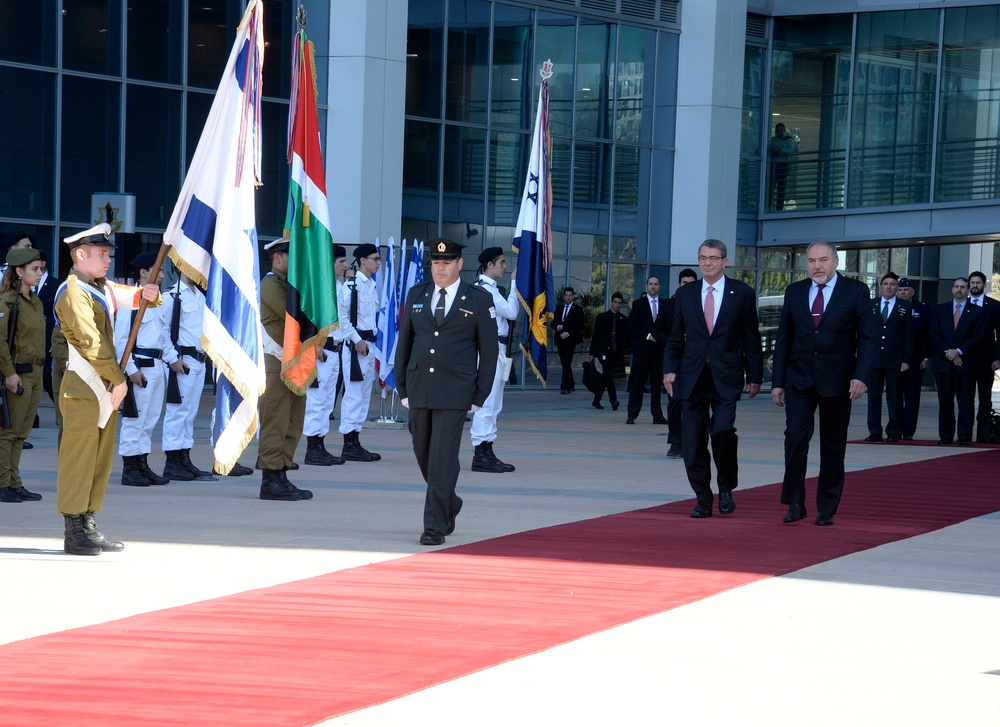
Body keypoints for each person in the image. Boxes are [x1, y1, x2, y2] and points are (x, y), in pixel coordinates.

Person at [54, 223, 159, 555]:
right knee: (79, 459)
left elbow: (133, 296)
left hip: (104, 385)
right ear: (80, 255)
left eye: (109, 253)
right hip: (85, 385)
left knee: (99, 460)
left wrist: (148, 294)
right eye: (101, 254)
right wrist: (118, 379)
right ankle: (74, 530)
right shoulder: (73, 292)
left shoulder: (98, 287)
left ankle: (88, 522)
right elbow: (92, 342)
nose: (108, 260)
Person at [395, 237, 498, 546]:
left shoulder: (477, 299)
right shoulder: (417, 295)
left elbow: (489, 353)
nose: (440, 268)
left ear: (459, 264)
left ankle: (434, 525)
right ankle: (449, 502)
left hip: (456, 391)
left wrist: (479, 395)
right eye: (436, 263)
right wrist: (402, 385)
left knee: (442, 458)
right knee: (423, 454)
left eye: (446, 263)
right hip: (419, 388)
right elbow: (405, 345)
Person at [771, 241, 875, 527]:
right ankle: (795, 502)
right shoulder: (794, 292)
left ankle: (827, 506)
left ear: (836, 262)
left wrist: (861, 375)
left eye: (823, 260)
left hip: (839, 381)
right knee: (794, 439)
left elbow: (868, 338)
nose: (817, 266)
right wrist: (777, 382)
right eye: (812, 261)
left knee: (832, 446)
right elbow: (784, 339)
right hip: (798, 379)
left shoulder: (855, 291)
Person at [663, 240, 762, 518]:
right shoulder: (686, 294)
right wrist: (669, 369)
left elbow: (751, 338)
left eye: (713, 258)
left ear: (724, 261)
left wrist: (755, 375)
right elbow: (675, 336)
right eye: (702, 258)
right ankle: (703, 499)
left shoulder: (741, 293)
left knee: (721, 431)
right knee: (693, 442)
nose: (707, 263)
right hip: (692, 376)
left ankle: (726, 487)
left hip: (726, 376)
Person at [114, 251, 180, 487]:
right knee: (135, 419)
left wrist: (173, 359)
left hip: (158, 367)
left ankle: (142, 464)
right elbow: (121, 340)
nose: (162, 275)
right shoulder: (130, 300)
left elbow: (163, 336)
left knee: (150, 419)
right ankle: (130, 469)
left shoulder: (155, 300)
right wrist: (130, 370)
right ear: (143, 272)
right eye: (157, 269)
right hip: (140, 367)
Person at [258, 237, 314, 501]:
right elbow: (292, 315)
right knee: (276, 421)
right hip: (276, 362)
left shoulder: (290, 285)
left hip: (293, 362)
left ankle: (282, 473)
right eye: (292, 258)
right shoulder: (271, 284)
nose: (297, 264)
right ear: (277, 258)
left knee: (293, 422)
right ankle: (270, 479)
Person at [159, 270, 217, 481]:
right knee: (177, 411)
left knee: (190, 412)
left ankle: (184, 458)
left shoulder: (199, 296)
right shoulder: (172, 296)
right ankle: (172, 461)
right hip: (182, 359)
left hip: (199, 360)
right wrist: (172, 359)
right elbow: (162, 330)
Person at [0, 248, 47, 503]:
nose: (40, 273)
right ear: (19, 272)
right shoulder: (8, 300)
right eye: (35, 269)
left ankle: (14, 482)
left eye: (41, 269)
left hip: (36, 372)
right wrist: (9, 373)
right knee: (9, 432)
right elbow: (0, 339)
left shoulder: (35, 300)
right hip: (19, 373)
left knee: (21, 432)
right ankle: (3, 483)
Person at [470, 246, 519, 473]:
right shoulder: (486, 290)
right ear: (489, 265)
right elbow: (511, 312)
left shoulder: (487, 288)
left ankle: (486, 449)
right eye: (501, 262)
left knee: (494, 403)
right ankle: (481, 452)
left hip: (495, 348)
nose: (505, 266)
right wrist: (515, 285)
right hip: (489, 349)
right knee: (487, 402)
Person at [302, 244, 348, 466]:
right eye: (341, 262)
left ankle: (320, 444)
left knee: (328, 401)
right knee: (317, 401)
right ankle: (312, 448)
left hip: (336, 349)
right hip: (321, 350)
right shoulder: (320, 285)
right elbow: (309, 316)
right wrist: (313, 345)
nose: (345, 266)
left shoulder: (338, 286)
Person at [338, 243, 382, 462]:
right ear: (362, 260)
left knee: (363, 396)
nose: (378, 263)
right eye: (375, 259)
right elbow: (342, 318)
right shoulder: (351, 286)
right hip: (357, 347)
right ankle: (349, 443)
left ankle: (356, 440)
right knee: (354, 396)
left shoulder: (371, 286)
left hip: (369, 345)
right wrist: (356, 340)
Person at [929, 277, 986, 445]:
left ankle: (964, 436)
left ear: (968, 290)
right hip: (943, 363)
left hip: (965, 364)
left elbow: (978, 336)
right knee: (945, 402)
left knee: (965, 403)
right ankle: (946, 436)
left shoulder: (977, 311)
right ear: (952, 289)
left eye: (963, 287)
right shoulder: (940, 310)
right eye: (956, 287)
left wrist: (959, 351)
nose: (959, 290)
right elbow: (933, 334)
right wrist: (949, 353)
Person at [865, 272, 914, 443]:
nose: (889, 287)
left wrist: (906, 360)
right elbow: (864, 333)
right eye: (886, 284)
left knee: (894, 397)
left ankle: (894, 431)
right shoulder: (870, 305)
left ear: (897, 288)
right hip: (874, 359)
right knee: (873, 397)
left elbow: (909, 336)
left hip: (895, 360)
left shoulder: (905, 307)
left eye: (893, 284)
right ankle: (874, 431)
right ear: (880, 286)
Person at [663, 268, 698, 456]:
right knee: (675, 402)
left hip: (695, 361)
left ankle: (690, 442)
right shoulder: (668, 305)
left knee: (692, 404)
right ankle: (675, 441)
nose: (688, 287)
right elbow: (660, 329)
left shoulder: (702, 303)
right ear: (679, 284)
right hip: (676, 360)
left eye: (692, 283)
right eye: (685, 283)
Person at [626, 276, 669, 426]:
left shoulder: (665, 304)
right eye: (650, 284)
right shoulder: (638, 304)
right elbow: (632, 326)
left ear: (659, 287)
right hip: (642, 350)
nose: (653, 287)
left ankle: (657, 415)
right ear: (646, 286)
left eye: (656, 284)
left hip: (658, 351)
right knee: (637, 383)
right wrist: (648, 336)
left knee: (657, 385)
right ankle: (632, 414)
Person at [896, 278, 931, 440]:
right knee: (894, 395)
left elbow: (929, 333)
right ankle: (895, 428)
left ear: (913, 292)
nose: (903, 292)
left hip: (916, 358)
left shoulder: (922, 309)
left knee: (912, 395)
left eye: (906, 290)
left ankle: (908, 430)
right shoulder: (892, 307)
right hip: (895, 357)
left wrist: (926, 356)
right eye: (900, 290)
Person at [967, 271, 1000, 441]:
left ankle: (983, 435)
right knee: (966, 399)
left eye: (978, 283)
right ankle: (965, 434)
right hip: (965, 360)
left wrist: (998, 357)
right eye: (972, 282)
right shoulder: (962, 305)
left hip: (987, 360)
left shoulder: (994, 306)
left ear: (984, 285)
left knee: (984, 399)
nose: (974, 285)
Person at [588, 291, 629, 411]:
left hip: (615, 352)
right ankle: (613, 400)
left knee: (605, 377)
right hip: (603, 351)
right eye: (615, 302)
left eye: (619, 303)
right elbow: (596, 336)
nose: (617, 305)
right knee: (609, 375)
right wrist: (592, 353)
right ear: (612, 302)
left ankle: (596, 400)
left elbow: (626, 337)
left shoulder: (624, 320)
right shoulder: (602, 317)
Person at [35, 251, 61, 403]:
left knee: (45, 375)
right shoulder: (24, 284)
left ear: (43, 264)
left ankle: (61, 407)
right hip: (30, 338)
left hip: (49, 337)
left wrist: (56, 338)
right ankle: (33, 418)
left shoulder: (56, 285)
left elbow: (61, 315)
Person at [550, 286, 584, 395]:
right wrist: (558, 327)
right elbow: (553, 323)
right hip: (560, 339)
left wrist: (568, 333)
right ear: (563, 296)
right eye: (566, 295)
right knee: (565, 363)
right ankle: (571, 384)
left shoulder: (578, 309)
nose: (568, 298)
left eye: (570, 296)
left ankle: (564, 386)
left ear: (573, 297)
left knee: (567, 362)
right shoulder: (559, 308)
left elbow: (580, 326)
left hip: (571, 340)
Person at [769, 123, 795, 211]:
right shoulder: (772, 140)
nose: (779, 132)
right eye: (777, 130)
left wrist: (780, 150)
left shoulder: (788, 140)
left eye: (781, 130)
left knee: (781, 189)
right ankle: (768, 208)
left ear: (784, 131)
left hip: (783, 166)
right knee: (770, 188)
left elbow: (791, 150)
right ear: (775, 131)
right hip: (773, 166)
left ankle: (779, 209)